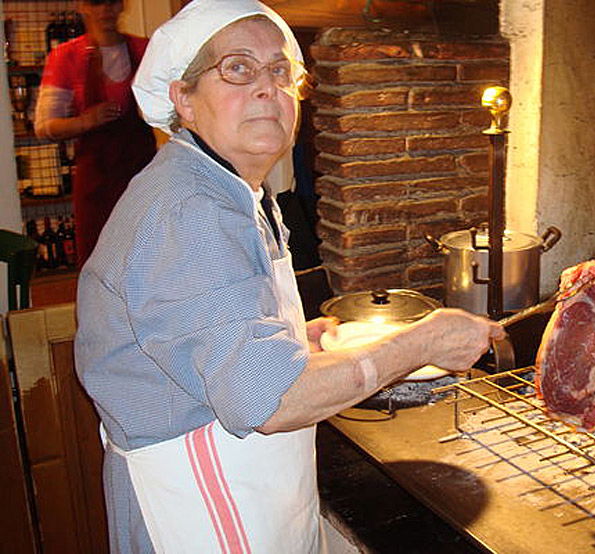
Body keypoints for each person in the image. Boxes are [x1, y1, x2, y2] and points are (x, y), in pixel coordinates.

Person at [73, 1, 505, 552]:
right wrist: (423, 341)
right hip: (202, 498)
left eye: (280, 71)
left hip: (251, 485)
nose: (265, 88)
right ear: (183, 97)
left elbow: (203, 339)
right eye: (237, 68)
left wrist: (297, 339)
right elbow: (270, 400)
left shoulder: (232, 187)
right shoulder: (189, 208)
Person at [34, 0, 156, 267]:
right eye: (96, 3)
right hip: (96, 185)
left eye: (111, 3)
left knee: (150, 260)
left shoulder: (146, 50)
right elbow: (45, 126)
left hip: (143, 178)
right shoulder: (67, 57)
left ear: (122, 5)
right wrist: (86, 122)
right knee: (98, 263)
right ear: (82, 7)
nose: (105, 11)